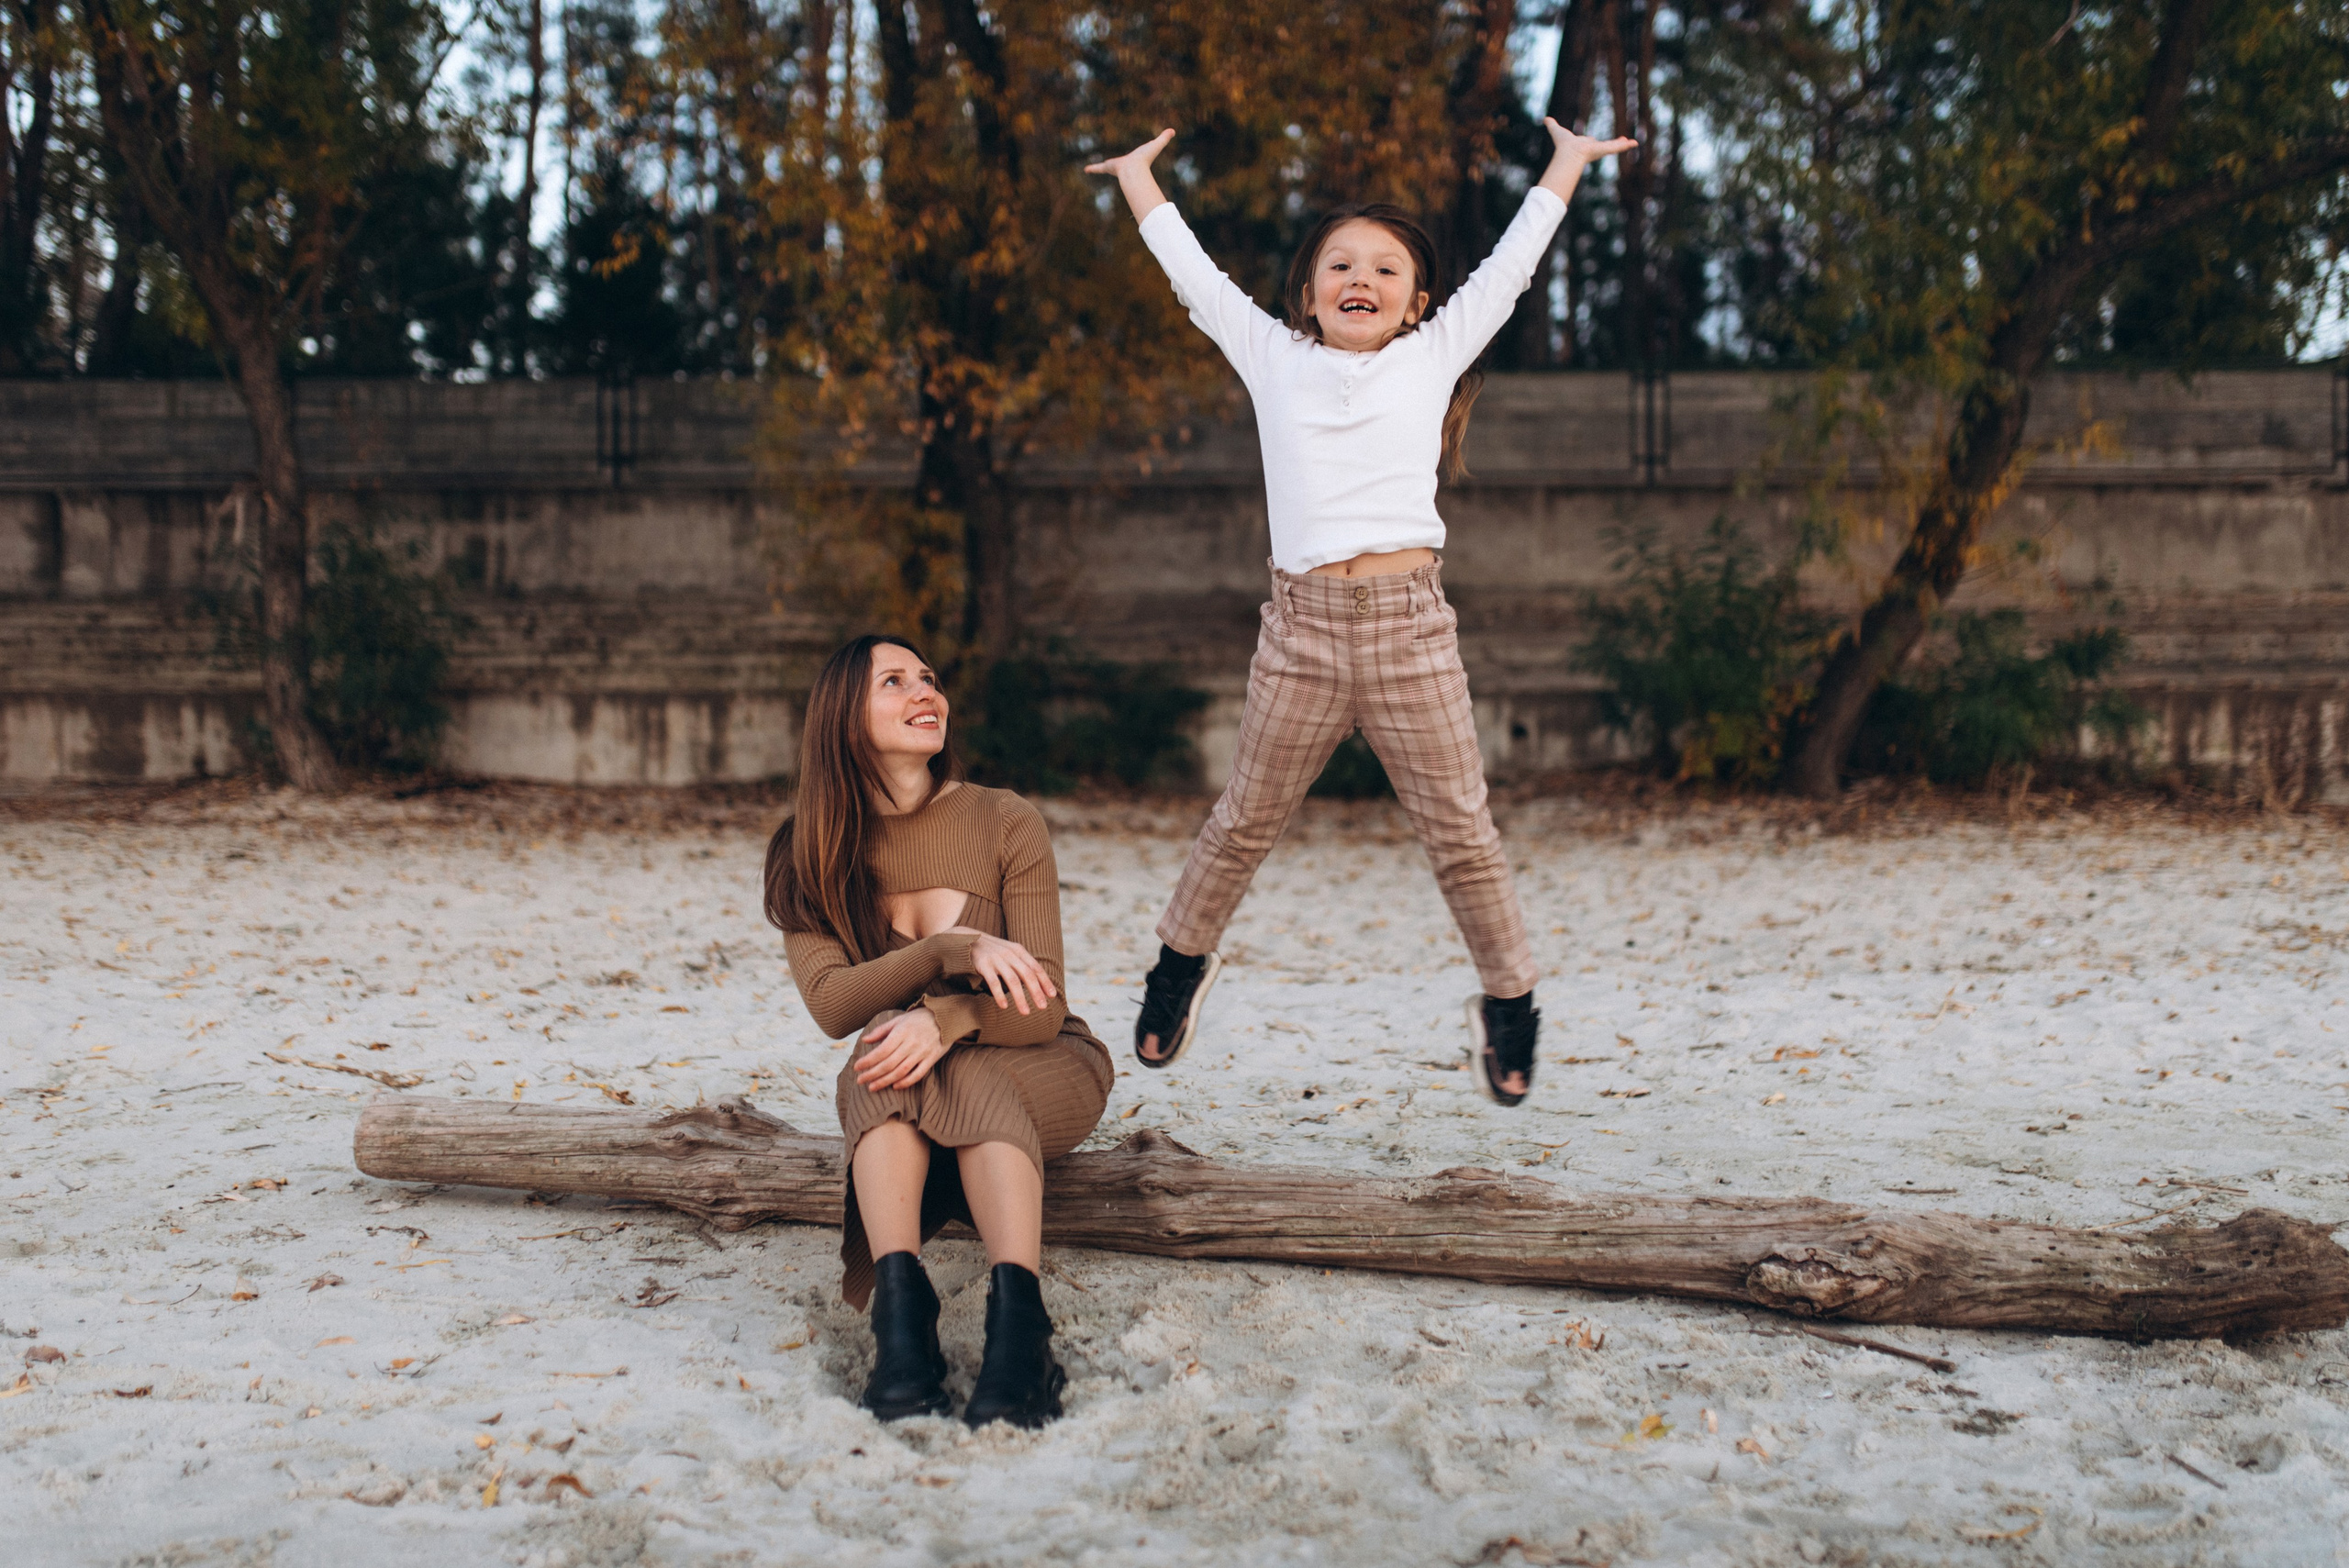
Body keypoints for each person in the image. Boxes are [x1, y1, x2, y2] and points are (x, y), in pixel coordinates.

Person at [1086, 118, 1636, 1106]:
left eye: (1385, 269)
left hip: (1408, 631)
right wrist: (1137, 181)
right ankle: (1178, 967)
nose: (1361, 277)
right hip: (1299, 633)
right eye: (1340, 263)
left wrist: (1566, 163)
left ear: (1415, 303)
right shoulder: (1271, 356)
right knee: (1242, 819)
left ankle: (1510, 1004)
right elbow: (1195, 278)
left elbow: (1512, 265)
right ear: (1308, 294)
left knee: (1462, 830)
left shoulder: (1428, 357)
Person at [763, 635, 1111, 1428]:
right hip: (911, 1088)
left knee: (951, 1063)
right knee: (876, 1056)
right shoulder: (808, 851)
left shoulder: (1003, 818)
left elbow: (1043, 1004)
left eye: (929, 678)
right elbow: (831, 1004)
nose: (927, 693)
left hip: (1041, 1058)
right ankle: (901, 1325)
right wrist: (947, 953)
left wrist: (945, 1015)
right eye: (895, 681)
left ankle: (1021, 1331)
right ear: (842, 719)